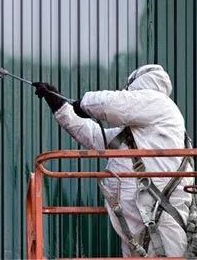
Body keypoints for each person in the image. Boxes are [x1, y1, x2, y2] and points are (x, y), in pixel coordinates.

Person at [34, 64, 192, 257]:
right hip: (140, 216)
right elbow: (95, 138)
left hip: (161, 211)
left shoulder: (159, 103)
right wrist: (59, 106)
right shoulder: (138, 130)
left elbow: (111, 105)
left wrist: (84, 103)